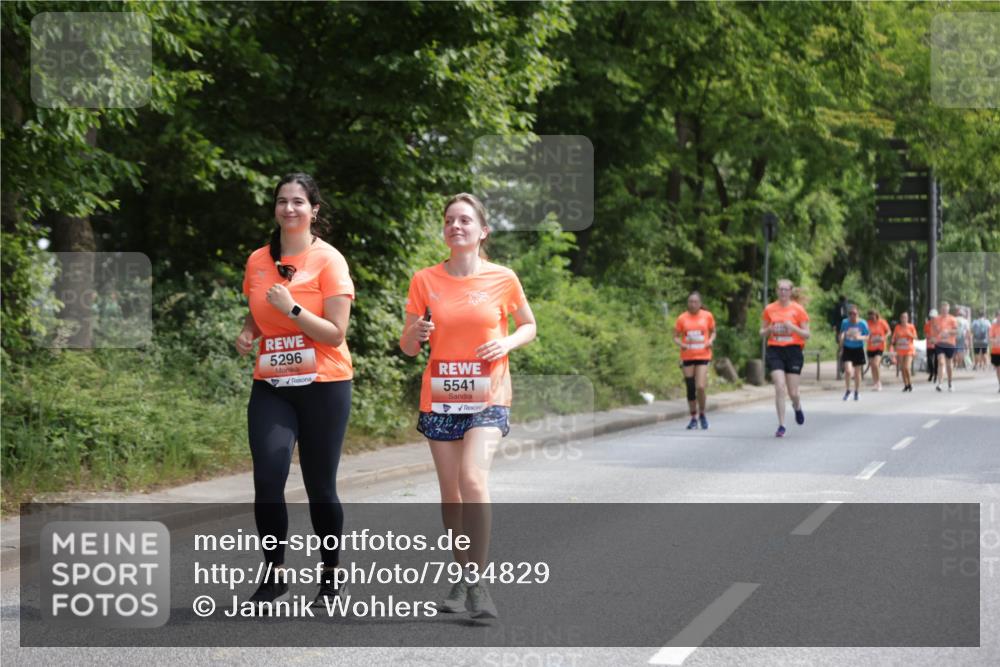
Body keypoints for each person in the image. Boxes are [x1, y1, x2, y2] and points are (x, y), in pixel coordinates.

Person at [399, 193, 536, 619]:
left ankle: (476, 583)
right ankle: (463, 574)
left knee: (473, 480)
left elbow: (529, 325)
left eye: (464, 220)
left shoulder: (503, 277)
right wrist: (416, 333)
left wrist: (507, 341)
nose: (456, 226)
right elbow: (406, 348)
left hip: (488, 397)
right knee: (451, 495)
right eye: (449, 220)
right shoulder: (425, 280)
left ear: (482, 231)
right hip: (440, 398)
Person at [235, 173, 355, 607]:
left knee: (320, 486)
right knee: (268, 478)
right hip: (272, 384)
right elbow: (260, 310)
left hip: (325, 383)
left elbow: (335, 333)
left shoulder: (330, 261)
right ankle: (273, 575)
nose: (289, 208)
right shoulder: (257, 259)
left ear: (314, 210)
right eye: (282, 201)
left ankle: (329, 576)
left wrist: (295, 307)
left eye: (299, 202)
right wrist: (248, 331)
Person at [760, 278, 810, 437]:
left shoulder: (798, 309)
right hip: (775, 350)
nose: (783, 292)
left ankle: (797, 406)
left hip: (794, 351)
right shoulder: (769, 309)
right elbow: (761, 333)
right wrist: (769, 329)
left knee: (793, 392)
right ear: (776, 291)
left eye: (786, 289)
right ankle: (781, 425)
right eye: (780, 289)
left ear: (790, 292)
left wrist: (792, 327)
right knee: (779, 386)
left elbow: (807, 334)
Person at [673, 291, 717, 429]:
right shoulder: (682, 318)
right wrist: (682, 344)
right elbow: (675, 336)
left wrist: (710, 340)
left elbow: (713, 331)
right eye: (690, 302)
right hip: (687, 356)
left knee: (700, 387)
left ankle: (702, 414)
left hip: (703, 355)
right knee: (690, 388)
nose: (692, 304)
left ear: (700, 303)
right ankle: (693, 417)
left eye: (695, 302)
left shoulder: (707, 316)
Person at [839, 305, 869, 401]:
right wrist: (841, 347)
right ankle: (848, 390)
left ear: (858, 314)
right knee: (848, 371)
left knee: (857, 372)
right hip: (848, 348)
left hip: (858, 348)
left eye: (854, 314)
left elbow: (868, 336)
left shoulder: (863, 323)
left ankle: (857, 391)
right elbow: (842, 334)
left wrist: (859, 338)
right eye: (850, 314)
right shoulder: (845, 322)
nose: (852, 316)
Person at [934, 301, 959, 392]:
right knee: (941, 362)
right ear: (941, 309)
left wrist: (948, 332)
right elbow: (935, 330)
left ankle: (950, 383)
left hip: (950, 343)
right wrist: (936, 331)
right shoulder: (937, 319)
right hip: (939, 343)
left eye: (946, 310)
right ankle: (939, 384)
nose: (944, 311)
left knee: (949, 364)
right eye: (943, 309)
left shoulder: (952, 319)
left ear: (948, 310)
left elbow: (956, 331)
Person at [890, 311, 917, 392]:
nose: (904, 319)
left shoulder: (911, 327)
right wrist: (894, 340)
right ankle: (906, 385)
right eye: (902, 317)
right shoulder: (897, 327)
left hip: (909, 349)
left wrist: (909, 334)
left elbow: (915, 337)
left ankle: (910, 383)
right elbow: (894, 338)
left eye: (905, 317)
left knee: (906, 367)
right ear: (900, 319)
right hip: (900, 349)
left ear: (907, 318)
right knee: (902, 368)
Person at [865, 309, 890, 391]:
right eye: (870, 317)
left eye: (873, 316)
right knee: (872, 366)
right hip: (870, 347)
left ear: (876, 315)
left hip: (880, 347)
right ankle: (875, 383)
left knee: (876, 364)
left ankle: (879, 382)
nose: (872, 318)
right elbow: (864, 333)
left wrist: (884, 337)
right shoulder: (868, 323)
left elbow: (889, 331)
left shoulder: (882, 322)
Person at [829, 294, 850, 380]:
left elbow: (834, 318)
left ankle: (841, 366)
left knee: (841, 347)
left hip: (839, 329)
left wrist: (834, 325)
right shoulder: (846, 306)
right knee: (846, 347)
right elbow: (844, 316)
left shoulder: (837, 306)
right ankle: (844, 366)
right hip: (846, 329)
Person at [925, 309, 938, 384]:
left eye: (934, 317)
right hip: (929, 344)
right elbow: (926, 334)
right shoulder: (927, 324)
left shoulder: (938, 324)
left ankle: (936, 374)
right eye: (932, 317)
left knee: (936, 361)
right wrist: (930, 338)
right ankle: (931, 372)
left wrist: (936, 339)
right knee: (929, 360)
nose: (933, 318)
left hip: (937, 344)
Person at [990, 310, 1000, 392]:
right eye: (998, 315)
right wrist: (995, 340)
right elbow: (990, 338)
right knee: (998, 368)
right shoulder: (993, 326)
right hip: (996, 350)